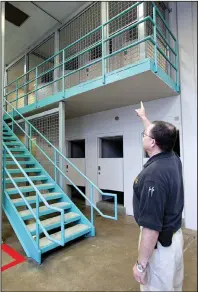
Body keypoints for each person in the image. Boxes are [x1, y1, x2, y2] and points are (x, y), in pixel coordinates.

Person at [132, 101, 184, 291]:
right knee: (174, 286)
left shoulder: (154, 176)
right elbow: (155, 134)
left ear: (153, 142)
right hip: (175, 240)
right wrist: (144, 118)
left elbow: (151, 229)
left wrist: (141, 265)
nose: (144, 135)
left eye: (145, 135)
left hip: (160, 247)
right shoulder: (173, 158)